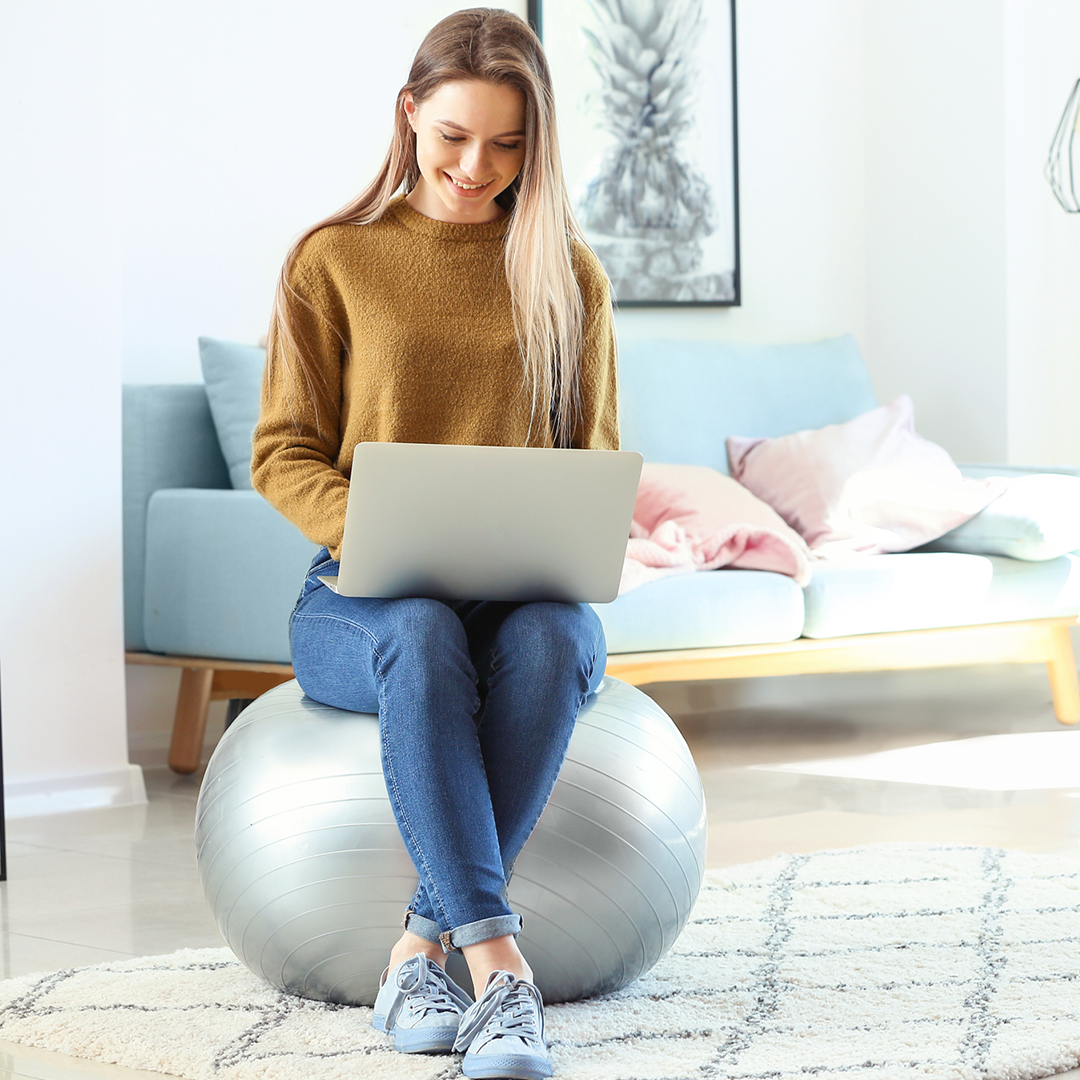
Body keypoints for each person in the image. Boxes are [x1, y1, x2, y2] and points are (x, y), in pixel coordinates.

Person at [251, 8, 619, 1079]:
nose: (477, 166)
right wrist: (376, 532)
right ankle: (503, 972)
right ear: (410, 116)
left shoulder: (569, 276)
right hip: (359, 600)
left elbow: (588, 462)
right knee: (418, 631)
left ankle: (418, 950)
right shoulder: (336, 261)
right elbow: (283, 454)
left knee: (554, 640)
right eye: (456, 135)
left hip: (518, 602)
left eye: (509, 144)